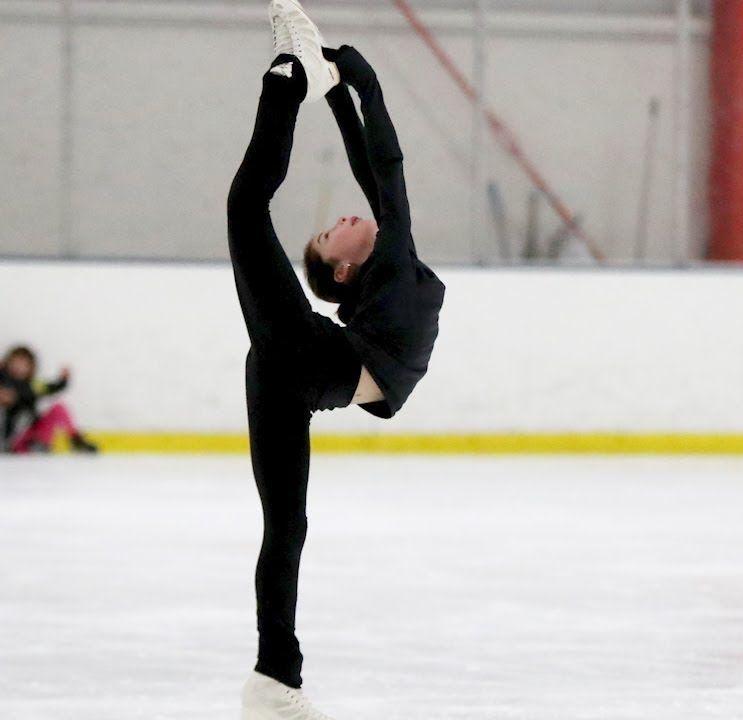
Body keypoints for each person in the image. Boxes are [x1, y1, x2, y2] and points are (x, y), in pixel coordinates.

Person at [227, 1, 444, 716]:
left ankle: (272, 680)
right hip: (304, 359)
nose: (346, 217)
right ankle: (285, 75)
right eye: (331, 232)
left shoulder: (388, 272)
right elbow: (384, 166)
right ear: (341, 273)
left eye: (337, 222)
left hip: (299, 373)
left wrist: (339, 84)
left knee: (286, 525)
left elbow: (373, 178)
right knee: (246, 208)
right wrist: (361, 89)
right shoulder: (391, 265)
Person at [0, 345, 98, 454]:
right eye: (15, 362)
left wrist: (63, 380)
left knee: (59, 408)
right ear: (7, 363)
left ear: (31, 367)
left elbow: (51, 387)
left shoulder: (33, 385)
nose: (18, 367)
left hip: (32, 432)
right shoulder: (4, 383)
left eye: (23, 364)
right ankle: (16, 444)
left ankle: (75, 440)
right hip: (14, 437)